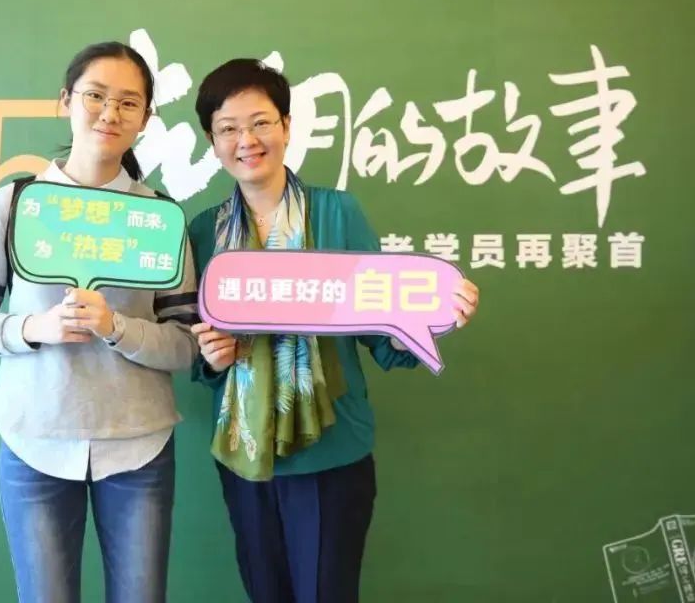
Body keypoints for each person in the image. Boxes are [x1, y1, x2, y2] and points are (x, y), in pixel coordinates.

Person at [187, 58, 479, 603]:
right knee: (265, 591)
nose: (246, 140)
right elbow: (198, 355)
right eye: (228, 128)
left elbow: (384, 338)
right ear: (213, 140)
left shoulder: (338, 213)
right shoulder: (204, 231)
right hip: (245, 454)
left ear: (286, 126)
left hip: (333, 450)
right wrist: (211, 357)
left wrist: (440, 314)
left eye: (261, 123)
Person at [0, 41, 199, 603]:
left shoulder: (159, 218)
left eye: (128, 102)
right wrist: (33, 329)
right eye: (95, 96)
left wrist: (118, 327)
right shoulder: (16, 203)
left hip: (139, 445)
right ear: (66, 101)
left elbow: (187, 344)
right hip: (33, 440)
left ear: (146, 118)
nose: (110, 113)